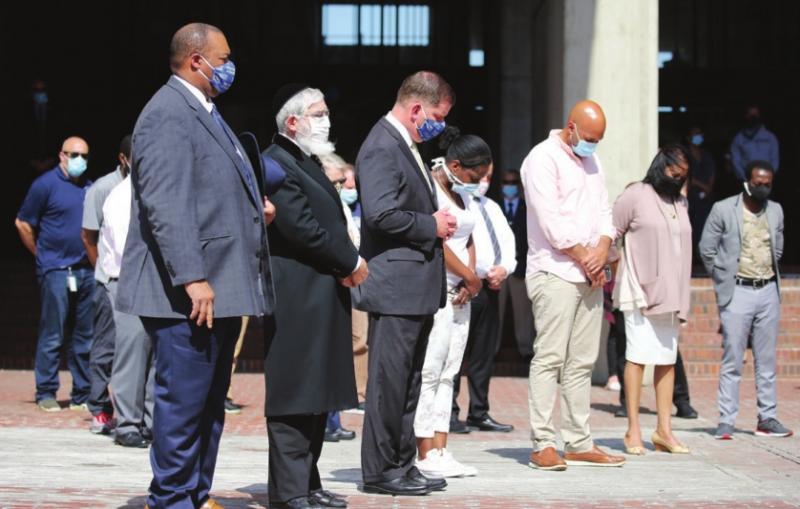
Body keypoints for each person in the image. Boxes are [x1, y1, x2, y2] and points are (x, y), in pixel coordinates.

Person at [116, 23, 275, 509]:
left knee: (207, 404)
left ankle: (194, 493)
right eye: (223, 59)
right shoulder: (167, 113)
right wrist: (193, 277)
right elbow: (166, 204)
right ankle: (171, 498)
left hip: (218, 285)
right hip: (187, 292)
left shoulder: (204, 110)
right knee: (184, 404)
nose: (230, 67)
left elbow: (210, 188)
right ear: (195, 60)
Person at [263, 85, 366, 509]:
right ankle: (288, 491)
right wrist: (350, 261)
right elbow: (302, 228)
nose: (326, 121)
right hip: (297, 293)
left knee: (317, 392)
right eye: (318, 114)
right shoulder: (276, 163)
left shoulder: (305, 160)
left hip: (321, 291)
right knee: (295, 392)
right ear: (293, 122)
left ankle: (307, 481)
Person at [354, 71, 456, 496]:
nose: (439, 126)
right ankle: (381, 470)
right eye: (437, 117)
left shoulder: (406, 144)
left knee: (409, 382)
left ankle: (402, 461)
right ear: (416, 109)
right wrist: (430, 225)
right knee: (389, 384)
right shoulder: (382, 145)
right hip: (395, 286)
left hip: (414, 288)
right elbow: (380, 214)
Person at [521, 100, 625, 471]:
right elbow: (550, 221)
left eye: (598, 140)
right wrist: (587, 257)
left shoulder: (593, 162)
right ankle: (543, 443)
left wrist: (602, 250)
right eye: (589, 138)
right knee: (550, 357)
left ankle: (579, 442)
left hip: (590, 274)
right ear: (571, 127)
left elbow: (604, 212)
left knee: (582, 362)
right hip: (555, 272)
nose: (592, 145)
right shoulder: (542, 159)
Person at [412, 128, 489, 479]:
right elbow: (437, 242)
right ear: (455, 166)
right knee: (430, 370)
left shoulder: (463, 195)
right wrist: (468, 277)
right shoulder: (431, 189)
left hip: (462, 292)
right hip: (437, 288)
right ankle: (424, 449)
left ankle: (441, 448)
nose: (479, 183)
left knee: (450, 371)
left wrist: (470, 278)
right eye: (475, 176)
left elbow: (468, 237)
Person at [699, 160, 793, 440]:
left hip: (768, 290)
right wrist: (722, 279)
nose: (762, 188)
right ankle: (726, 420)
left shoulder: (776, 210)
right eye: (757, 183)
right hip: (737, 290)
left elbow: (777, 249)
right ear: (746, 182)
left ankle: (767, 418)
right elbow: (706, 249)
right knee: (733, 358)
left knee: (766, 360)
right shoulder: (723, 209)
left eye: (767, 184)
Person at [612, 144, 693, 455]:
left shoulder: (681, 202)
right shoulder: (635, 194)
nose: (678, 179)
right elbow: (611, 232)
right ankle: (633, 429)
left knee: (666, 359)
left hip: (672, 294)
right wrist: (611, 269)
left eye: (683, 175)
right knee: (636, 357)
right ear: (661, 167)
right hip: (639, 290)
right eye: (674, 173)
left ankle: (663, 431)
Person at [16, 136, 94, 413]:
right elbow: (23, 222)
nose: (79, 161)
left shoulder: (88, 187)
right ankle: (46, 392)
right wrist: (40, 254)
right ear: (61, 155)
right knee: (53, 333)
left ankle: (82, 393)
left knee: (84, 336)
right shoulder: (45, 185)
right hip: (56, 270)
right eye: (74, 155)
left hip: (85, 271)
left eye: (84, 156)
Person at [450, 161, 517, 435]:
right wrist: (474, 274)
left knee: (483, 352)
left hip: (491, 287)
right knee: (456, 351)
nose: (484, 182)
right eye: (480, 176)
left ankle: (479, 411)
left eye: (488, 177)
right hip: (464, 285)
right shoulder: (457, 204)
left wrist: (504, 269)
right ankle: (449, 412)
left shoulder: (493, 207)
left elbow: (507, 243)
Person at [80, 136, 129, 434]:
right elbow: (89, 236)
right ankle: (99, 406)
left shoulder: (147, 185)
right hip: (109, 279)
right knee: (105, 345)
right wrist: (103, 268)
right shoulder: (102, 189)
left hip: (135, 281)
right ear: (123, 158)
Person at [320, 152, 362, 441]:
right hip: (328, 283)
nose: (341, 188)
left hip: (345, 282)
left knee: (337, 356)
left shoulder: (339, 205)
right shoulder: (321, 203)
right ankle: (323, 421)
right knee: (323, 358)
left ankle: (333, 420)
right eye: (336, 182)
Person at [497, 169, 536, 360]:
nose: (509, 186)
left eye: (513, 182)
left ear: (519, 186)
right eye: (506, 182)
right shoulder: (494, 207)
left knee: (523, 312)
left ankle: (525, 349)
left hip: (520, 267)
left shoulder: (527, 208)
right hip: (497, 268)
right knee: (495, 311)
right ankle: (492, 349)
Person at [685, 126, 716, 254]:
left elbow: (712, 172)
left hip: (705, 197)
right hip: (690, 196)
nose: (698, 137)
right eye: (695, 134)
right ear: (688, 138)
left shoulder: (706, 154)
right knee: (689, 225)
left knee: (704, 224)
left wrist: (708, 188)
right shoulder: (685, 155)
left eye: (700, 134)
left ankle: (701, 253)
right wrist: (703, 186)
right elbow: (686, 176)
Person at [730, 105, 779, 182]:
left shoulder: (770, 137)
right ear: (746, 116)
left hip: (766, 180)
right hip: (746, 180)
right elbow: (735, 160)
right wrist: (745, 178)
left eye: (755, 114)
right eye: (750, 114)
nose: (753, 117)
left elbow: (775, 159)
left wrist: (768, 176)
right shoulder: (738, 138)